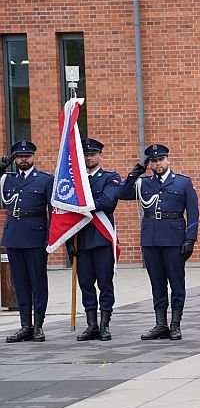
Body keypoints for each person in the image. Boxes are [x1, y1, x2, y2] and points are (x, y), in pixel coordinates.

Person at [117, 144, 199, 341]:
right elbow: (122, 193)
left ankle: (175, 324)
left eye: (160, 159)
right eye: (153, 161)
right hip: (151, 239)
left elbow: (193, 213)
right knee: (157, 284)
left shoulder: (182, 182)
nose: (157, 163)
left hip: (174, 239)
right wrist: (136, 171)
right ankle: (161, 324)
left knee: (177, 284)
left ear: (167, 160)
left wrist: (190, 239)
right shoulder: (143, 183)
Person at [1, 141, 54, 343]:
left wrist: (52, 237)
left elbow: (52, 210)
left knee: (37, 282)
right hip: (13, 235)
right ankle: (25, 326)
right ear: (15, 159)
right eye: (20, 156)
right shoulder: (7, 179)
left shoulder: (44, 180)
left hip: (35, 235)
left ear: (33, 157)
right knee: (20, 283)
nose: (24, 159)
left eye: (27, 155)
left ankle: (38, 325)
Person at [70, 138, 121, 341]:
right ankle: (91, 324)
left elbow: (107, 202)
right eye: (85, 154)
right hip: (80, 239)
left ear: (100, 155)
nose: (88, 157)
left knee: (105, 283)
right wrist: (68, 242)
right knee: (85, 283)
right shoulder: (75, 180)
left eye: (92, 154)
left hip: (101, 237)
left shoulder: (110, 177)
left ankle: (104, 324)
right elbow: (65, 211)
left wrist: (81, 205)